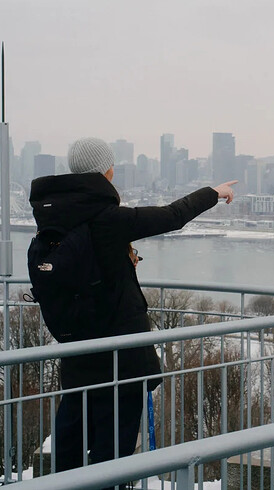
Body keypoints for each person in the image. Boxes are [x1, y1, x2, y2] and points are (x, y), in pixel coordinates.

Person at [29, 137, 236, 484]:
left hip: (78, 354)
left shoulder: (55, 216)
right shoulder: (107, 219)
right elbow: (172, 216)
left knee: (71, 443)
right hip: (121, 359)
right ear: (107, 171)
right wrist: (213, 193)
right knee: (113, 454)